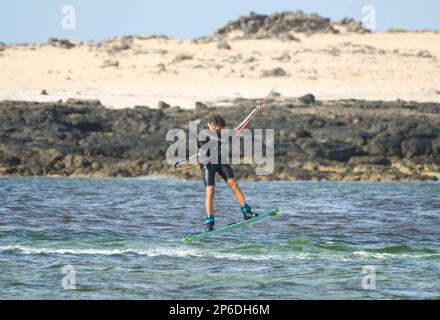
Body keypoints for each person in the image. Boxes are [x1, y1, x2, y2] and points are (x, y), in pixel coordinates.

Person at [197, 115, 257, 232]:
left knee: (234, 184)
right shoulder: (203, 132)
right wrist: (230, 135)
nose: (219, 131)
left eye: (221, 129)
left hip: (219, 159)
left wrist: (234, 133)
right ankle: (210, 221)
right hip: (207, 163)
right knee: (210, 192)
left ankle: (246, 212)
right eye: (218, 129)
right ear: (211, 125)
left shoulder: (218, 132)